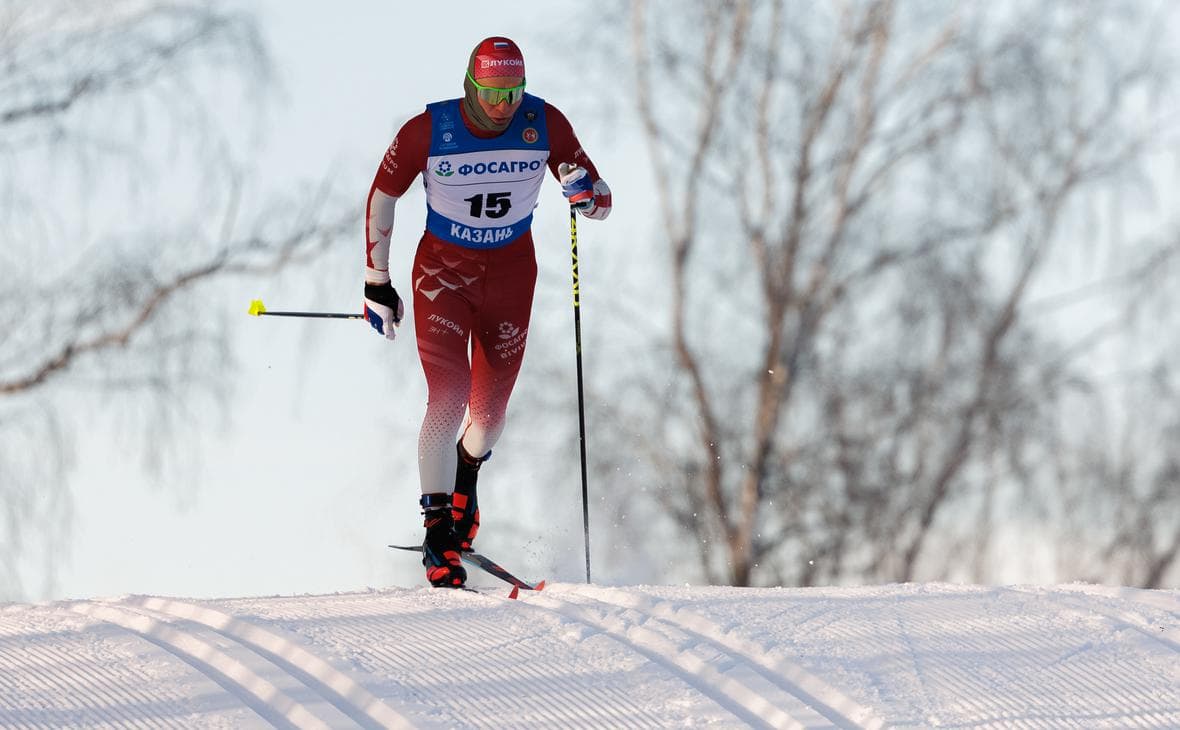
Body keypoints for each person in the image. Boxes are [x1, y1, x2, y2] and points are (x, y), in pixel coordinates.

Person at [361, 37, 611, 588]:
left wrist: (585, 196)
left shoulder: (543, 123)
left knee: (490, 416)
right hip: (442, 278)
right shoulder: (428, 130)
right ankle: (437, 531)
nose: (504, 105)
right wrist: (377, 282)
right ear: (470, 86)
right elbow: (383, 194)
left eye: (513, 92)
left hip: (511, 277)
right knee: (447, 396)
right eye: (493, 92)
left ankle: (465, 478)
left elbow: (601, 200)